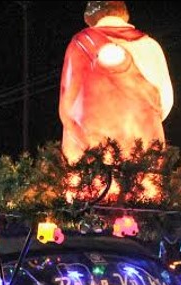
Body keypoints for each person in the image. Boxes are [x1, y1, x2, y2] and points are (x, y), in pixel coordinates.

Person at [59, 1, 174, 164]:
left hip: (94, 149)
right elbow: (165, 101)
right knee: (146, 185)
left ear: (91, 15)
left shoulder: (81, 42)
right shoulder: (151, 44)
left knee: (94, 188)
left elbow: (68, 104)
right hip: (143, 143)